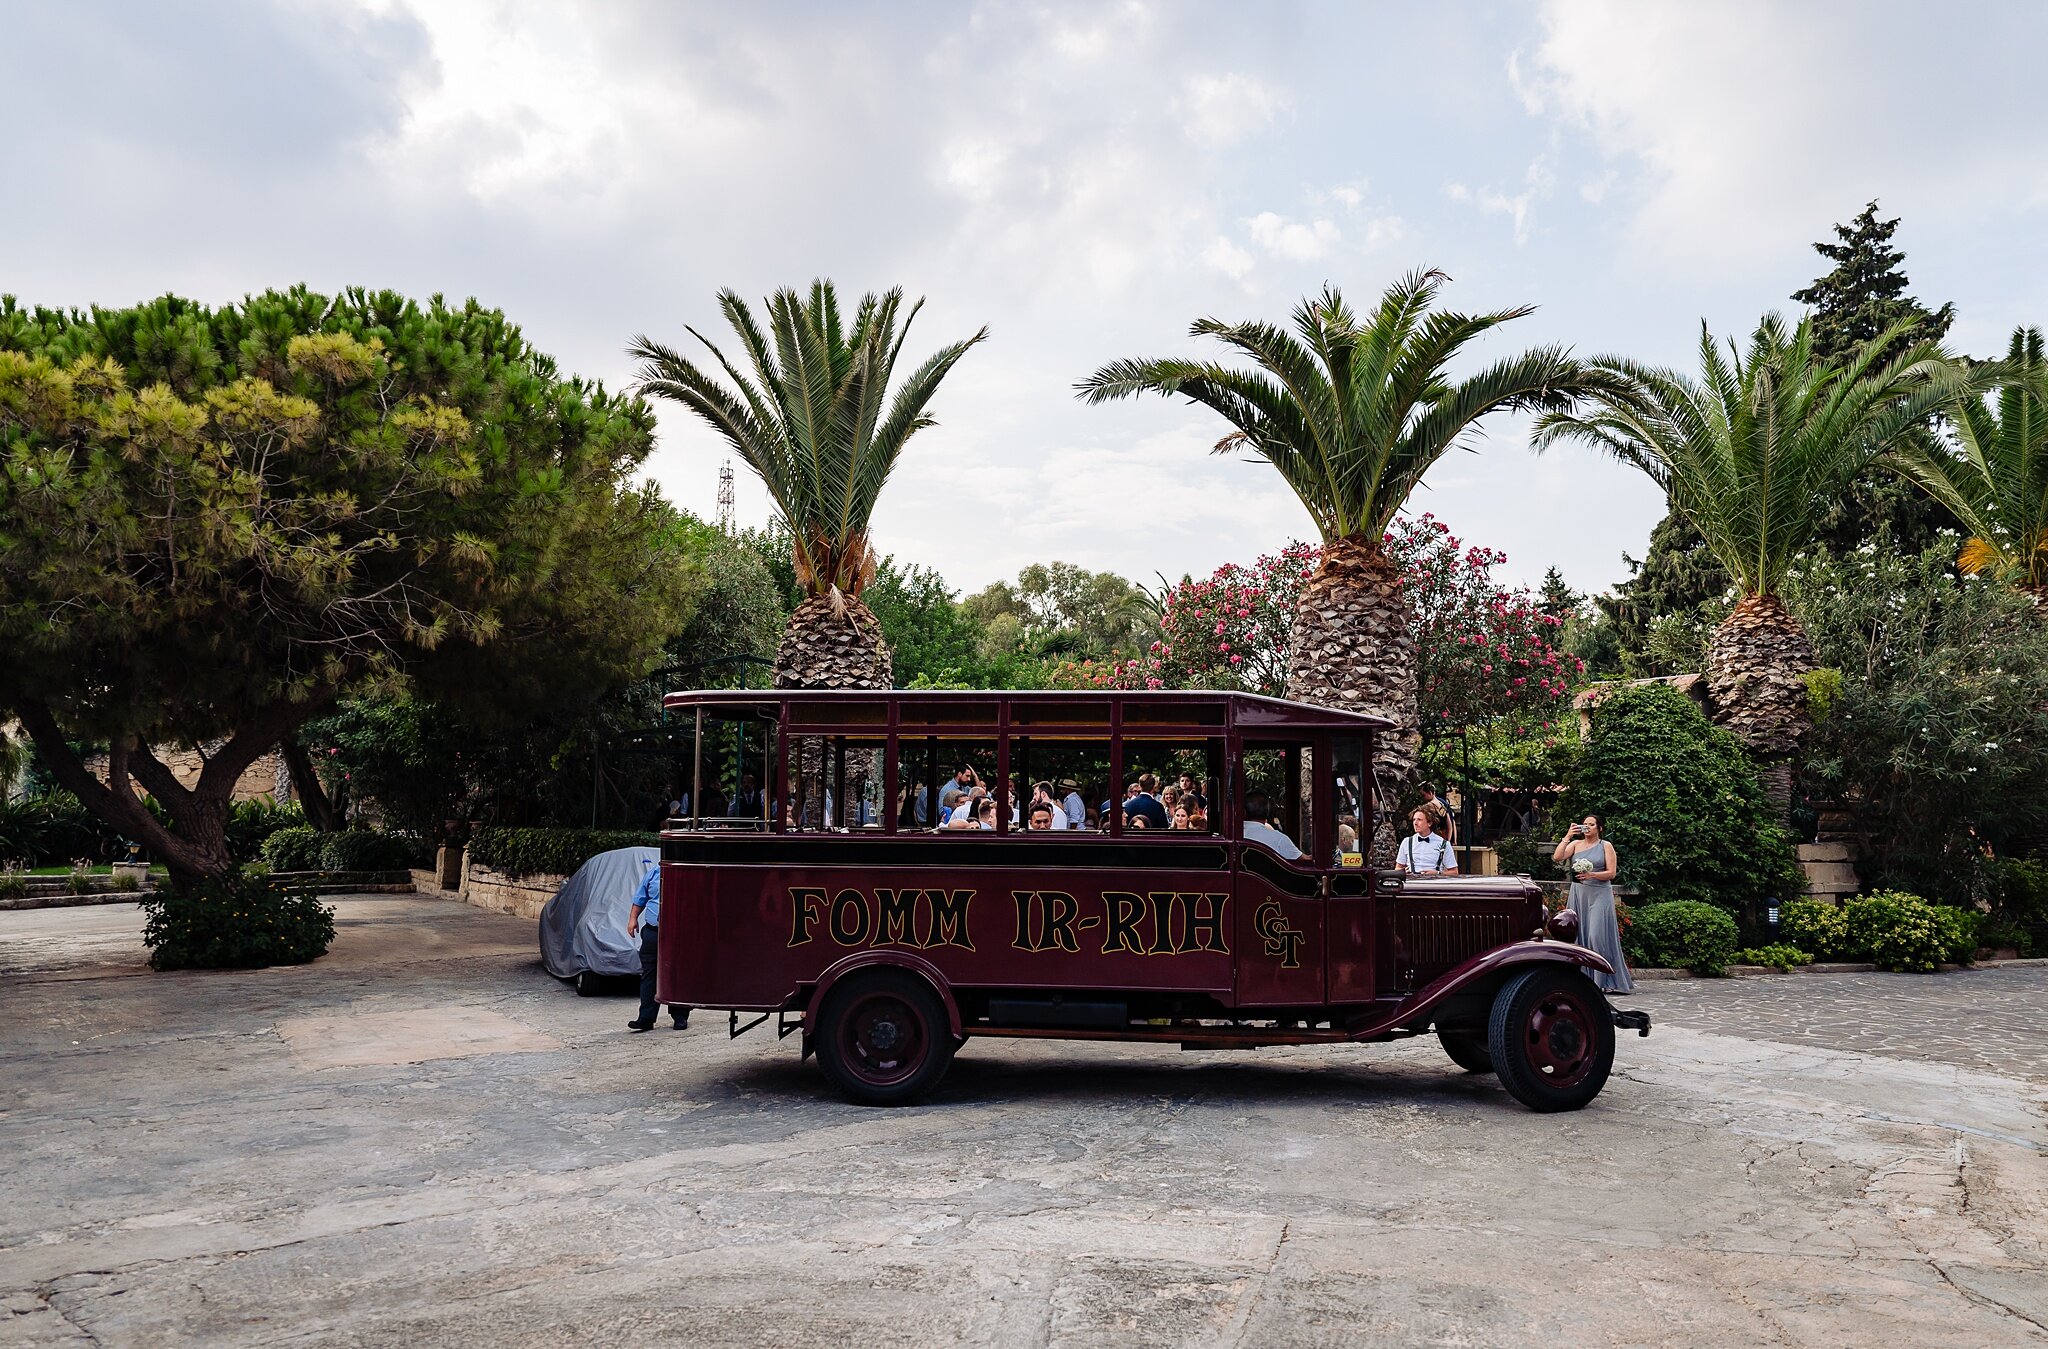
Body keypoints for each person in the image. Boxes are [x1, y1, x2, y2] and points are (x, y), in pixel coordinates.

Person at [1553, 813, 1634, 995]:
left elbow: (1612, 873)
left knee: (1596, 936)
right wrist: (1567, 836)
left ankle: (1601, 981)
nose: (1587, 827)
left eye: (1591, 824)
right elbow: (1557, 857)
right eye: (1584, 824)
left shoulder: (1605, 846)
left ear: (1599, 828)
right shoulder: (1575, 844)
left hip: (1599, 893)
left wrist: (1592, 875)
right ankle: (1581, 981)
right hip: (1579, 893)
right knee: (1577, 936)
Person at [626, 861, 688, 1032]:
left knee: (677, 973)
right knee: (649, 973)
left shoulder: (687, 872)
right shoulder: (654, 872)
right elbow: (640, 897)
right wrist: (633, 919)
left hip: (679, 934)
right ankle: (645, 1018)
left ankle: (680, 1017)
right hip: (653, 932)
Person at [1241, 790, 1302, 860]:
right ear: (1268, 812)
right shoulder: (1280, 839)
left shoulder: (1232, 835)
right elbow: (1304, 862)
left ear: (1243, 812)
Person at [1396, 809, 1458, 875]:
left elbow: (1454, 872)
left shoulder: (1443, 844)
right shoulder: (1406, 842)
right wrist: (1403, 872)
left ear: (1429, 823)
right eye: (1414, 820)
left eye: (1419, 820)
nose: (1415, 823)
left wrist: (1438, 873)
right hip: (1412, 882)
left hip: (1434, 882)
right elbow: (1398, 868)